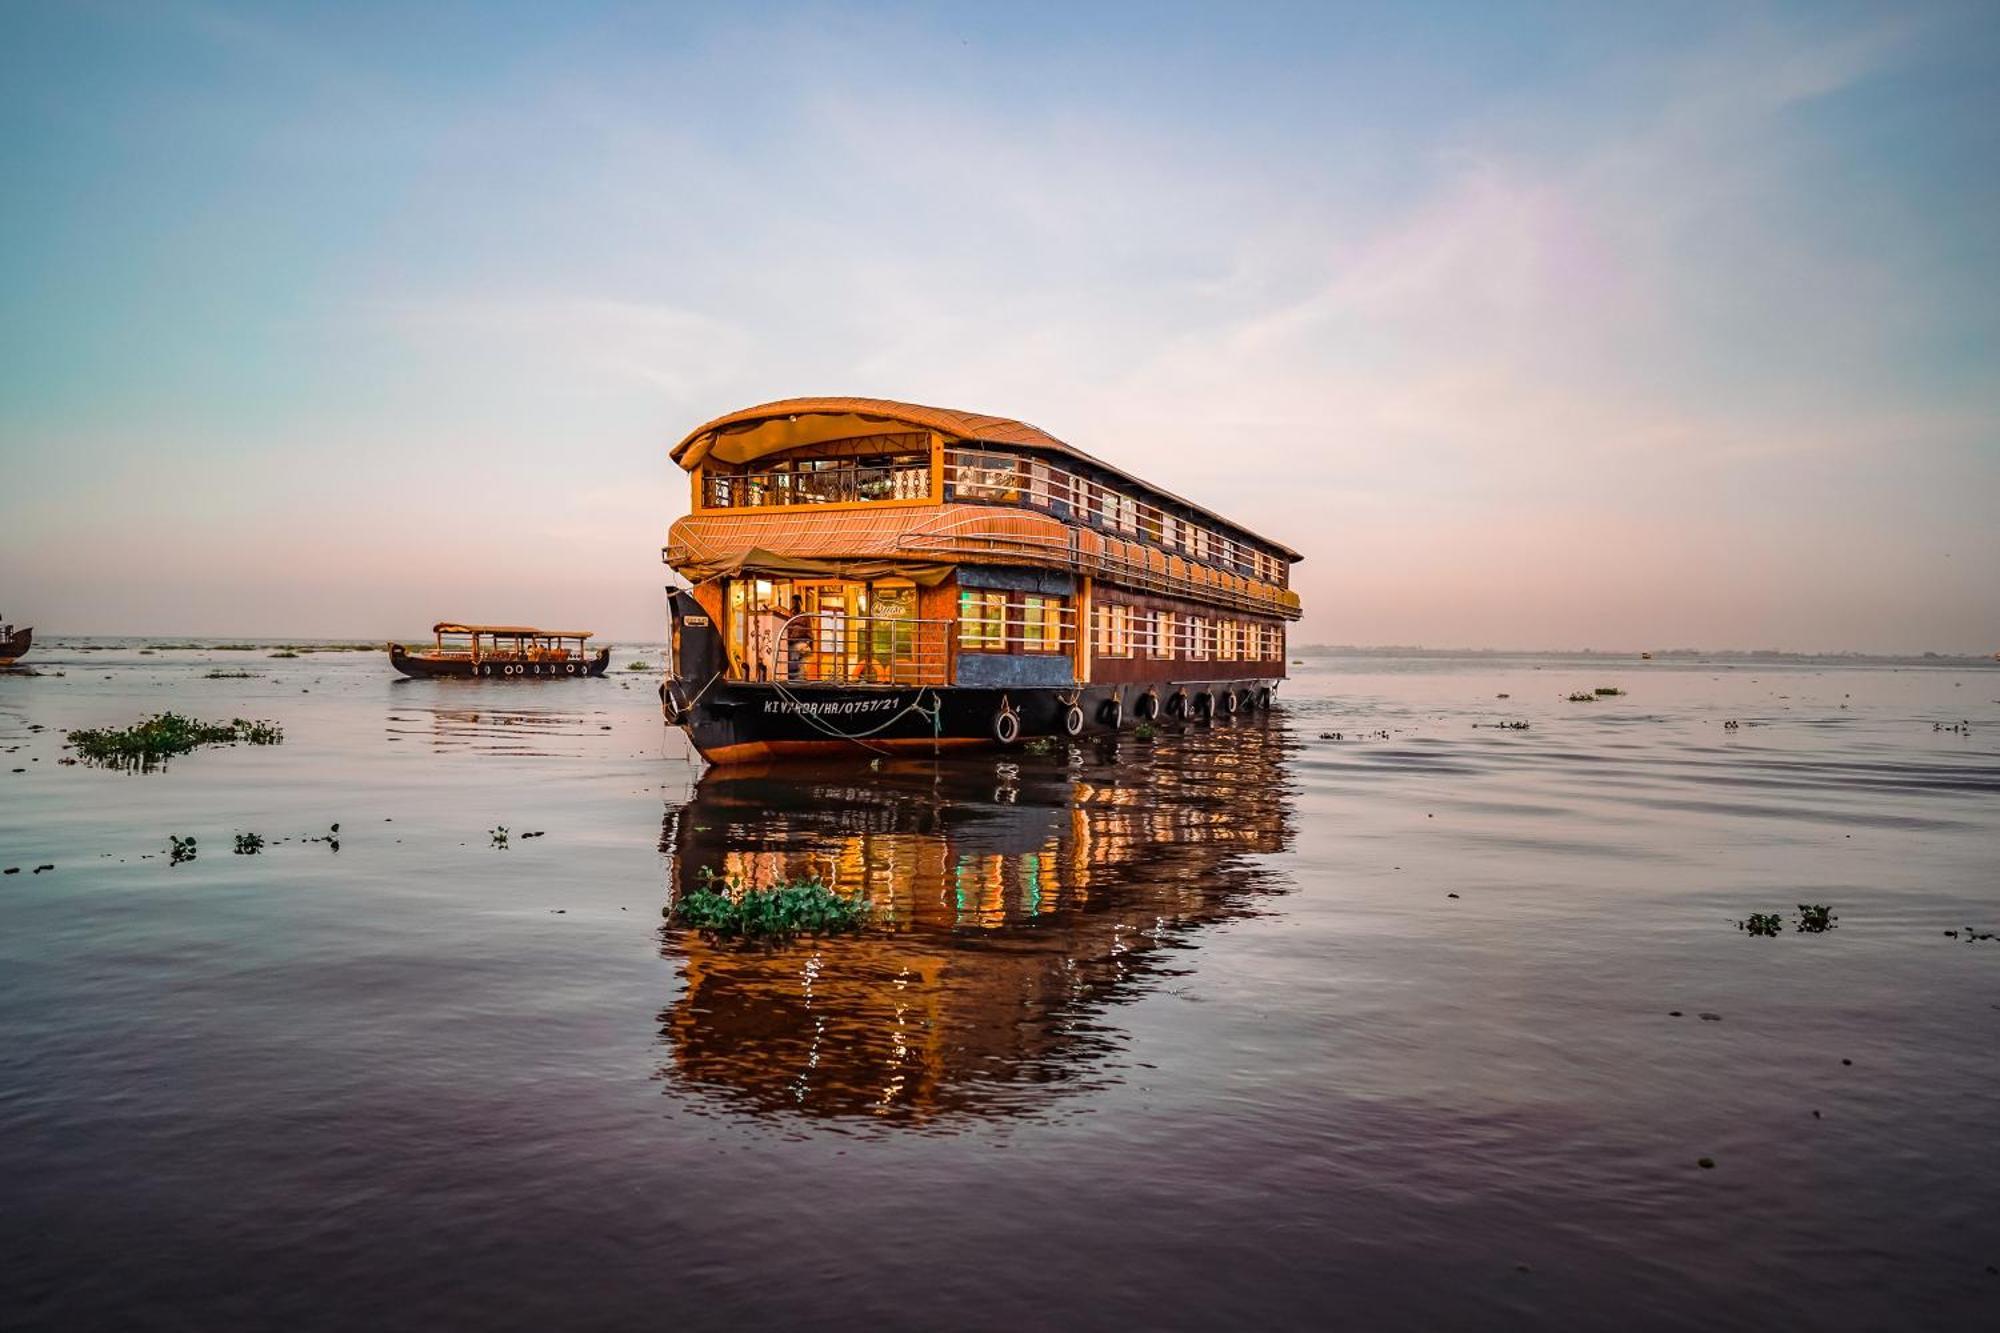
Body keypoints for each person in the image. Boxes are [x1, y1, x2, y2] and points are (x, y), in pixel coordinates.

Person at [783, 600, 814, 681]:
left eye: (796, 602)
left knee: (798, 651)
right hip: (790, 643)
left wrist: (809, 642)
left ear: (800, 603)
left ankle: (798, 678)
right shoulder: (789, 615)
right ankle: (796, 677)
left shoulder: (804, 616)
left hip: (801, 642)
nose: (794, 604)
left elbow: (809, 630)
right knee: (793, 654)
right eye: (793, 602)